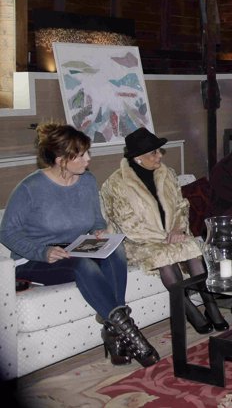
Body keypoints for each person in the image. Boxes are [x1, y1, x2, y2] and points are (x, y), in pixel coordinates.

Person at [0, 123, 159, 368]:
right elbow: (7, 232)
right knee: (82, 265)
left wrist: (98, 231)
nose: (88, 159)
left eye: (88, 152)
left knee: (115, 250)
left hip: (76, 248)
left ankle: (113, 329)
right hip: (35, 258)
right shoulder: (30, 188)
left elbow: (95, 219)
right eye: (81, 155)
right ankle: (131, 334)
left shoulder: (87, 181)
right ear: (61, 160)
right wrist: (42, 251)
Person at [101, 127, 228, 335]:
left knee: (192, 248)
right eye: (154, 152)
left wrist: (177, 228)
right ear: (138, 157)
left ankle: (210, 305)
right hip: (139, 241)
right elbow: (127, 224)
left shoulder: (166, 173)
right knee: (163, 256)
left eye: (159, 151)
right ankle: (189, 309)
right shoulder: (116, 184)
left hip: (171, 235)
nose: (160, 155)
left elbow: (181, 206)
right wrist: (164, 238)